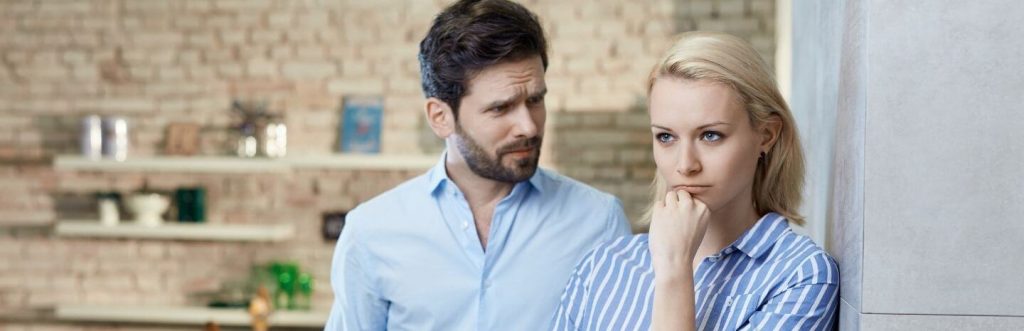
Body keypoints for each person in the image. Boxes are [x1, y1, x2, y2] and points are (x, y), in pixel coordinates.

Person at [325, 0, 632, 330]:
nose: (528, 126)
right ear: (441, 118)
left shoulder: (598, 223)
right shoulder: (371, 233)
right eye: (501, 108)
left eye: (535, 100)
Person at [551, 31, 839, 331]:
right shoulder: (603, 266)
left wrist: (675, 271)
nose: (685, 165)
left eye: (710, 135)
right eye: (666, 137)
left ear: (766, 135)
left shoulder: (800, 276)